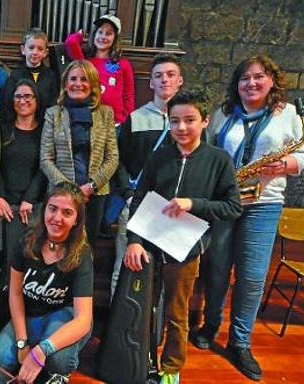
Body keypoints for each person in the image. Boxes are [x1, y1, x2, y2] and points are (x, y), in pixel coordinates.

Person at [192, 56, 304, 381]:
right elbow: (210, 150)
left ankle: (240, 341)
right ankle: (211, 324)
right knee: (216, 269)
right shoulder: (223, 114)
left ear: (272, 80)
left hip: (264, 202)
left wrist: (285, 165)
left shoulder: (287, 114)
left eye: (259, 77)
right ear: (237, 83)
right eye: (245, 78)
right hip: (226, 202)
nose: (252, 83)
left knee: (252, 277)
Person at [124, 89, 242, 384]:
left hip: (185, 250)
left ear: (205, 121)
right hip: (150, 246)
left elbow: (232, 206)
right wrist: (134, 240)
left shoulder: (219, 160)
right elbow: (139, 197)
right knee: (146, 308)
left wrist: (194, 204)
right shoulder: (158, 157)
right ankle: (145, 359)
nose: (181, 128)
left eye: (189, 120)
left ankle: (171, 367)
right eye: (175, 121)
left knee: (177, 313)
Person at [0, 181, 93, 383]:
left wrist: (41, 350)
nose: (57, 218)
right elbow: (15, 293)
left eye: (67, 213)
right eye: (52, 209)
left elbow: (83, 320)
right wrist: (22, 342)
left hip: (62, 315)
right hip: (29, 313)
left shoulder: (82, 254)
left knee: (59, 361)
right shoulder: (26, 241)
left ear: (76, 220)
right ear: (44, 209)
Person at [110, 54, 184, 296]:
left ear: (180, 80)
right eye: (158, 75)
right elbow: (118, 161)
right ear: (150, 83)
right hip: (137, 204)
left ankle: (153, 330)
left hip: (172, 207)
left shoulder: (187, 122)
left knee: (164, 274)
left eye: (170, 75)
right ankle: (116, 329)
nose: (165, 80)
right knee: (123, 267)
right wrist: (129, 195)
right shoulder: (136, 118)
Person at [40, 59, 118, 248]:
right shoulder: (53, 113)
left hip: (95, 194)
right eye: (73, 78)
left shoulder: (105, 113)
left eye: (84, 79)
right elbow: (45, 158)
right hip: (60, 195)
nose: (78, 84)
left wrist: (91, 186)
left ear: (92, 84)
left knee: (86, 248)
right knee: (58, 246)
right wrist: (70, 190)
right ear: (65, 84)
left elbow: (112, 158)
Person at [0, 79, 46, 324]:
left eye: (28, 97)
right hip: (4, 204)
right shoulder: (2, 129)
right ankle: (3, 317)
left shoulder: (44, 130)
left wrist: (29, 199)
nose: (23, 101)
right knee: (7, 261)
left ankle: (24, 317)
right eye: (18, 97)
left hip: (31, 206)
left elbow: (43, 168)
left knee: (28, 259)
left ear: (36, 101)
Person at [65, 14, 135, 128]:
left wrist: (126, 122)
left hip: (115, 123)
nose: (103, 37)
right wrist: (80, 34)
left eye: (109, 33)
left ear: (115, 38)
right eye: (100, 32)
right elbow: (71, 43)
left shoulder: (123, 64)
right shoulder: (85, 61)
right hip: (89, 121)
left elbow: (129, 96)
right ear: (94, 34)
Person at [0, 28, 59, 124]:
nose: (35, 52)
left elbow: (53, 105)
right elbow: (7, 104)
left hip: (44, 127)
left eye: (40, 49)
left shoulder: (51, 76)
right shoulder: (15, 75)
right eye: (31, 48)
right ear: (23, 50)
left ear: (45, 53)